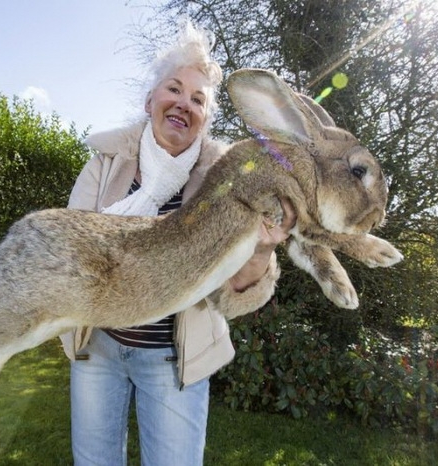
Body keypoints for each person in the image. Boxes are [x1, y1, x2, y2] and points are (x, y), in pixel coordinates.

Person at [60, 21, 296, 466]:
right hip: (99, 349)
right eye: (175, 89)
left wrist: (262, 250)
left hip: (174, 358)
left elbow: (232, 295)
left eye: (198, 99)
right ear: (150, 100)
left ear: (206, 120)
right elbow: (72, 252)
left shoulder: (227, 183)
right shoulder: (105, 165)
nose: (184, 104)